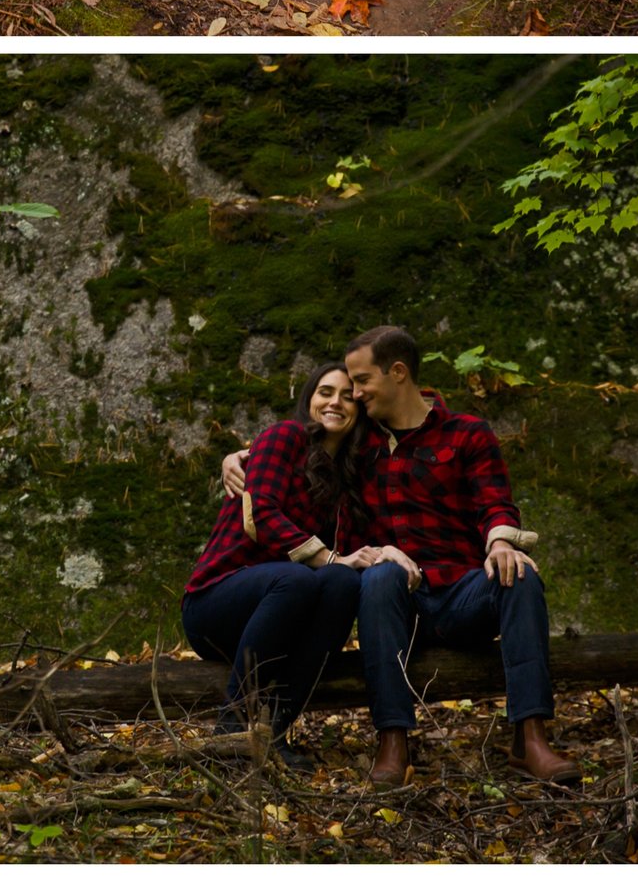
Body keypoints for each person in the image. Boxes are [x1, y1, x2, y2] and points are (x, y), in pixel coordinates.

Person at [222, 326, 576, 786]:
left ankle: (531, 738)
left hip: (463, 593)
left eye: (361, 381)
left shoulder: (466, 434)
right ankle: (393, 741)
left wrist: (501, 542)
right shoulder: (359, 443)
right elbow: (297, 448)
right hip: (398, 603)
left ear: (398, 373)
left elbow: (494, 500)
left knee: (521, 574)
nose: (354, 393)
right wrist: (238, 457)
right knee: (378, 577)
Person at [183, 363, 400, 768]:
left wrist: (376, 556)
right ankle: (232, 728)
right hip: (216, 606)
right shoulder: (283, 438)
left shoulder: (351, 479)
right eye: (324, 392)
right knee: (303, 577)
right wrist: (328, 557)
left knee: (343, 584)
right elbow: (261, 515)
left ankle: (275, 732)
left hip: (285, 619)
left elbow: (348, 561)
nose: (335, 401)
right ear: (309, 399)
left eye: (347, 396)